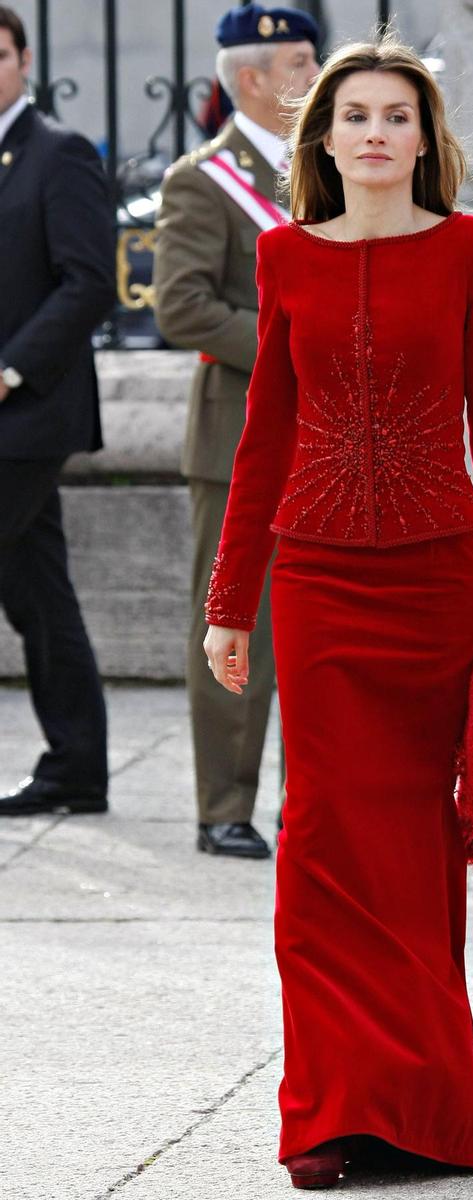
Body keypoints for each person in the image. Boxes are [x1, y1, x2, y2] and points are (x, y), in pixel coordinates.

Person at [204, 35, 473, 1189]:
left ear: (422, 137)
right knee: (316, 843)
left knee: (413, 849)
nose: (372, 133)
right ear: (321, 139)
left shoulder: (466, 249)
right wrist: (229, 604)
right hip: (313, 589)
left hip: (435, 589)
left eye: (394, 116)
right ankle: (328, 1114)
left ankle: (427, 1112)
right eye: (351, 114)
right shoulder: (281, 257)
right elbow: (261, 443)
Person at [154, 6, 320, 859]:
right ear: (250, 78)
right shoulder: (203, 179)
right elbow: (181, 305)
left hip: (330, 443)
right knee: (232, 622)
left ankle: (311, 801)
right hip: (238, 440)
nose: (315, 69)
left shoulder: (331, 168)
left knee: (320, 632)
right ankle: (224, 803)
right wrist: (293, 347)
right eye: (300, 60)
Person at [0, 6, 116, 817]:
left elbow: (88, 282)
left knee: (34, 589)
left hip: (27, 411)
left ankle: (76, 763)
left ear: (24, 60)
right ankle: (76, 766)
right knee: (37, 590)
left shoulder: (58, 152)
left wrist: (10, 369)